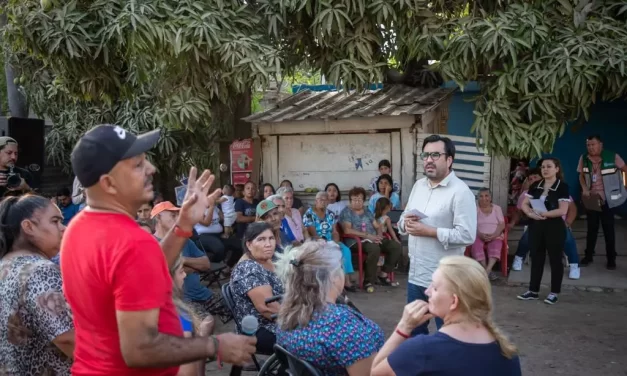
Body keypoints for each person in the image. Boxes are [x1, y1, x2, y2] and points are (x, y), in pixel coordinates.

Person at [60, 124, 255, 375]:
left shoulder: (78, 228)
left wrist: (183, 225)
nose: (151, 169)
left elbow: (141, 271)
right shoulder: (130, 241)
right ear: (108, 183)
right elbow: (139, 349)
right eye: (138, 165)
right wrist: (215, 344)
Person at [370, 256, 521, 376]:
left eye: (435, 288)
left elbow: (375, 373)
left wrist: (404, 327)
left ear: (454, 301)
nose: (427, 291)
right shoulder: (506, 348)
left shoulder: (422, 349)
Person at [397, 134, 477, 336]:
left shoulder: (461, 192)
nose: (429, 160)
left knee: (449, 331)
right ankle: (422, 367)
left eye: (435, 155)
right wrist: (406, 224)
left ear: (449, 160)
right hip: (417, 273)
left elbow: (467, 235)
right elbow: (402, 222)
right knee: (415, 329)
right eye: (425, 155)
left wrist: (430, 232)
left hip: (446, 278)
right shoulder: (418, 186)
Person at [276, 240, 384, 375]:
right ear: (333, 277)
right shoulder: (341, 324)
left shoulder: (288, 312)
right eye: (340, 268)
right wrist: (402, 331)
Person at [0, 195, 74, 375]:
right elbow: (67, 338)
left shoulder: (5, 265)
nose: (63, 228)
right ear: (29, 227)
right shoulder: (40, 270)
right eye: (55, 221)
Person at [152, 201, 222, 319]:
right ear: (158, 217)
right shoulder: (151, 244)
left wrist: (182, 260)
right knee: (207, 321)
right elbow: (165, 274)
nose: (177, 219)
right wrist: (193, 267)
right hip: (181, 300)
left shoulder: (184, 240)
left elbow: (206, 264)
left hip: (202, 293)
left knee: (232, 303)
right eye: (173, 215)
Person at [517, 158, 570, 305]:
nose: (545, 169)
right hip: (536, 225)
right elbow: (524, 204)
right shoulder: (536, 185)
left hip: (554, 227)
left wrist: (543, 214)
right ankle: (533, 291)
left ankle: (554, 292)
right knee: (536, 257)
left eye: (549, 166)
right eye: (543, 167)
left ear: (557, 169)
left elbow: (562, 210)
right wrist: (530, 214)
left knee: (555, 259)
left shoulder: (562, 187)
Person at [230, 222, 284, 355]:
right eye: (261, 239)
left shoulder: (268, 262)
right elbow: (269, 309)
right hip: (261, 328)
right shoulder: (249, 268)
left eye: (271, 238)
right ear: (249, 244)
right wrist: (303, 319)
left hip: (281, 319)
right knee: (314, 339)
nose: (268, 244)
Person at [578, 134, 627, 270]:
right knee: (591, 229)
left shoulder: (613, 156)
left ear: (601, 144)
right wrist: (584, 189)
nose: (590, 147)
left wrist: (623, 187)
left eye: (593, 144)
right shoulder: (584, 158)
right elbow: (581, 176)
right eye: (588, 145)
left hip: (608, 200)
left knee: (608, 230)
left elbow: (625, 171)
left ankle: (611, 258)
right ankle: (588, 256)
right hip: (592, 199)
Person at [340, 187, 402, 293]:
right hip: (356, 241)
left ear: (363, 200)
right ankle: (368, 281)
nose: (357, 202)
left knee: (395, 246)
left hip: (373, 238)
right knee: (374, 249)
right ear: (350, 200)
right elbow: (347, 230)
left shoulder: (367, 210)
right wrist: (368, 236)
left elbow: (377, 226)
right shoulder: (347, 212)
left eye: (359, 199)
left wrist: (379, 236)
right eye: (354, 199)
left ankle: (383, 274)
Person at [169, 254, 215, 376]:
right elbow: (186, 370)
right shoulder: (179, 315)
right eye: (181, 272)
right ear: (170, 278)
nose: (185, 275)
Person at [303, 191, 356, 292]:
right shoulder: (309, 214)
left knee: (345, 250)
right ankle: (340, 282)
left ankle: (345, 280)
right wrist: (325, 242)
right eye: (320, 200)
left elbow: (335, 231)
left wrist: (335, 241)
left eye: (325, 200)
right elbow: (313, 233)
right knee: (331, 252)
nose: (323, 202)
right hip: (317, 241)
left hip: (330, 240)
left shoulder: (330, 214)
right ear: (316, 201)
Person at [194, 195, 243, 268]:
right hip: (203, 236)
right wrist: (211, 207)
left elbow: (223, 218)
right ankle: (211, 267)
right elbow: (206, 222)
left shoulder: (215, 208)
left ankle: (228, 266)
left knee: (240, 245)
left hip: (218, 235)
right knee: (219, 248)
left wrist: (229, 221)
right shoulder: (196, 209)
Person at [471, 188, 505, 281]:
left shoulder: (497, 208)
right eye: (481, 196)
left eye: (486, 196)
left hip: (495, 234)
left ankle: (487, 270)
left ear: (490, 198)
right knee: (475, 243)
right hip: (479, 234)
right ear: (477, 198)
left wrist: (494, 234)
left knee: (496, 244)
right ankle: (488, 270)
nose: (484, 198)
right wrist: (480, 233)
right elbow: (472, 224)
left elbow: (502, 224)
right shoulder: (475, 209)